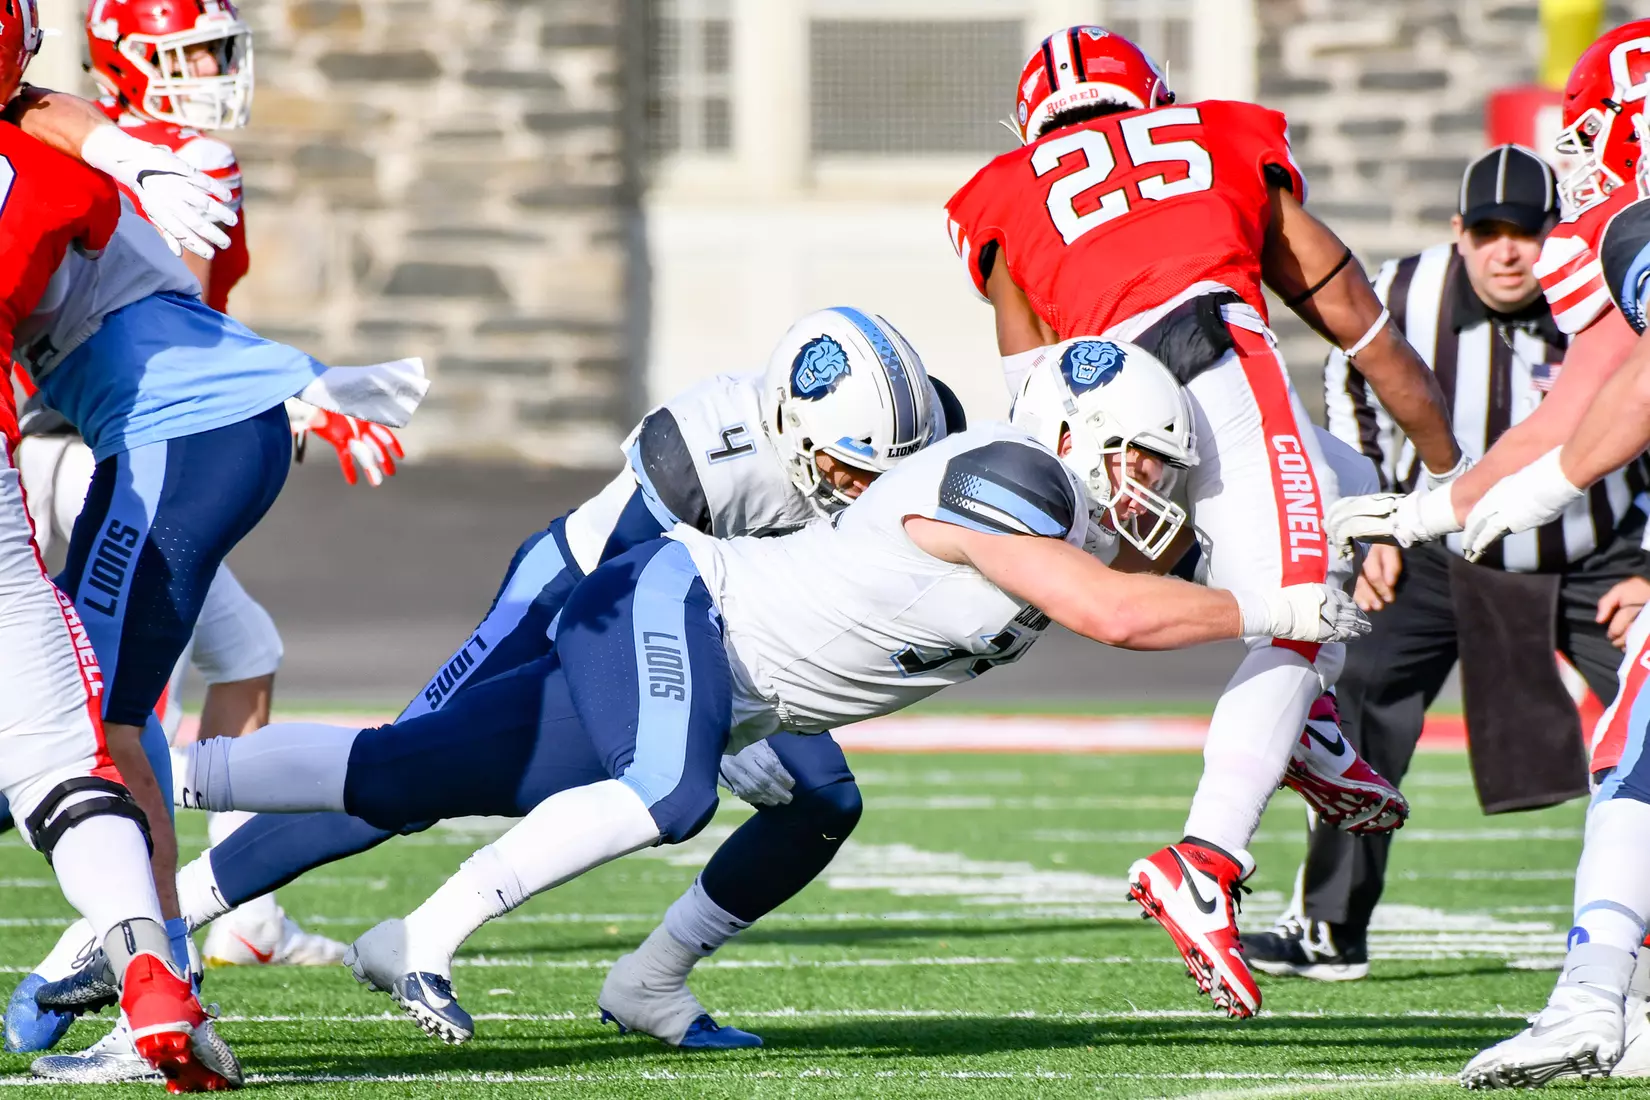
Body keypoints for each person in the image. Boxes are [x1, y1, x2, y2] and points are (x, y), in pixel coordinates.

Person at [171, 338, 1368, 1044]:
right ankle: (419, 937)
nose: (1153, 483)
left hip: (741, 683)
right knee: (668, 791)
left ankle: (161, 785)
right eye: (1139, 457)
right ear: (1072, 431)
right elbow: (1117, 615)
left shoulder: (1076, 514)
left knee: (409, 769)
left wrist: (1355, 549)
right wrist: (1281, 609)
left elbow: (1186, 576)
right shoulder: (1018, 479)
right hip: (679, 604)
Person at [95, 307, 958, 1050]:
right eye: (849, 464)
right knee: (406, 777)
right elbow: (626, 589)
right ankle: (171, 911)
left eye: (886, 464)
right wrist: (715, 732)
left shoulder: (919, 437)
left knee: (823, 800)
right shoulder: (707, 451)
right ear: (790, 427)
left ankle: (652, 981)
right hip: (577, 598)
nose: (866, 486)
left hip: (734, 638)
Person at [939, 25, 1460, 1018]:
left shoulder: (1005, 194)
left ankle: (1304, 727)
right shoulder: (1217, 137)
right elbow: (1366, 330)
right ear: (1153, 99)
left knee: (1348, 487)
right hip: (1213, 349)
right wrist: (1449, 470)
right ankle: (1208, 854)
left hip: (1108, 416)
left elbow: (1032, 387)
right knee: (1304, 600)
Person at [1323, 20, 1650, 1088]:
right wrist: (1427, 513)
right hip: (1499, 538)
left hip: (1598, 545)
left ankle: (1592, 999)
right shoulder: (1422, 289)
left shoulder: (1631, 220)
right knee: (1635, 750)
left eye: (1594, 132)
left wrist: (1555, 486)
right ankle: (1612, 997)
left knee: (1637, 760)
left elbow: (1609, 410)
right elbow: (1571, 407)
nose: (1582, 160)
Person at [1245, 146, 1650, 982]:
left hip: (1594, 550)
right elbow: (1352, 392)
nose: (1508, 253)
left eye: (1527, 233)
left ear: (1559, 233)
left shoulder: (1604, 287)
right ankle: (1328, 924)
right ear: (1459, 232)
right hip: (1438, 552)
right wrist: (1374, 528)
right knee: (1356, 695)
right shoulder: (1402, 292)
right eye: (1489, 233)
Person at [0, 3, 242, 1090]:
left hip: (139, 436)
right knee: (69, 758)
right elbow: (43, 132)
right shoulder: (62, 181)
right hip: (70, 447)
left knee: (121, 717)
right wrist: (122, 148)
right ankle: (152, 975)